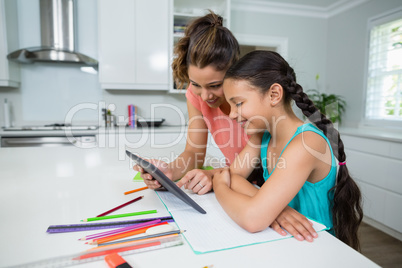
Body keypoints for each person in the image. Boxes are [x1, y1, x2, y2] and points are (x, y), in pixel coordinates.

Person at [134, 11, 319, 242]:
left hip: (266, 189)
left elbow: (262, 167)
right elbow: (194, 151)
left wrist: (217, 178)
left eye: (214, 85)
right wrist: (169, 173)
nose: (204, 96)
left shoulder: (256, 108)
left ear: (234, 71)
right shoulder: (199, 96)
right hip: (241, 187)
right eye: (195, 85)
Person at [212, 50, 363, 250]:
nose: (231, 114)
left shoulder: (306, 143)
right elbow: (233, 176)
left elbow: (252, 219)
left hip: (315, 249)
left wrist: (219, 186)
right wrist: (276, 209)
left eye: (238, 103)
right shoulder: (262, 136)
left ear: (274, 95)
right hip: (283, 242)